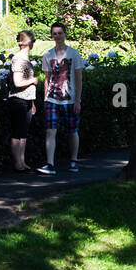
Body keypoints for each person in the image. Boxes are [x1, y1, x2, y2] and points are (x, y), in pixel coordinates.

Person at [37, 22, 84, 175]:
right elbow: (47, 78)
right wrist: (45, 97)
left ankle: (74, 160)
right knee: (51, 131)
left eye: (60, 33)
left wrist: (77, 100)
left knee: (72, 130)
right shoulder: (48, 55)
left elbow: (78, 78)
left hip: (70, 99)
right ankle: (50, 164)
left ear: (65, 34)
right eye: (54, 33)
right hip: (52, 98)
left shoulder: (74, 54)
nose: (57, 36)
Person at [7, 30, 38, 172]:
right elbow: (17, 82)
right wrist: (33, 80)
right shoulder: (19, 59)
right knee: (17, 132)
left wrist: (32, 102)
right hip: (18, 99)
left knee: (23, 133)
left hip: (26, 100)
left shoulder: (25, 59)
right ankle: (17, 163)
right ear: (30, 43)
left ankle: (22, 162)